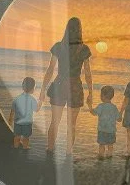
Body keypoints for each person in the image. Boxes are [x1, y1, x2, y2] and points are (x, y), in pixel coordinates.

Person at [44, 18, 91, 158]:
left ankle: (50, 151)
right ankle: (69, 153)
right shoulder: (84, 49)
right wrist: (91, 93)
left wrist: (42, 91)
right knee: (72, 125)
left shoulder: (58, 46)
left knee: (54, 122)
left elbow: (50, 69)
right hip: (75, 87)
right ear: (80, 30)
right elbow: (88, 73)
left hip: (59, 85)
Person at [9, 77, 39, 151]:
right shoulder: (33, 99)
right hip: (27, 123)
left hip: (17, 122)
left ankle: (15, 147)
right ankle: (25, 147)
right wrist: (40, 102)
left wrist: (10, 122)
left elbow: (12, 111)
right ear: (33, 89)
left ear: (22, 86)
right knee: (26, 137)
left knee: (17, 136)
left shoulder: (17, 99)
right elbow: (36, 109)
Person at [94, 87, 120, 160]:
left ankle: (101, 157)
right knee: (110, 145)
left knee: (102, 145)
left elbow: (94, 113)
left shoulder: (101, 106)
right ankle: (109, 157)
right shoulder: (114, 107)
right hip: (111, 131)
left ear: (103, 96)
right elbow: (119, 119)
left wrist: (90, 107)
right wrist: (121, 113)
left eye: (100, 95)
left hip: (102, 130)